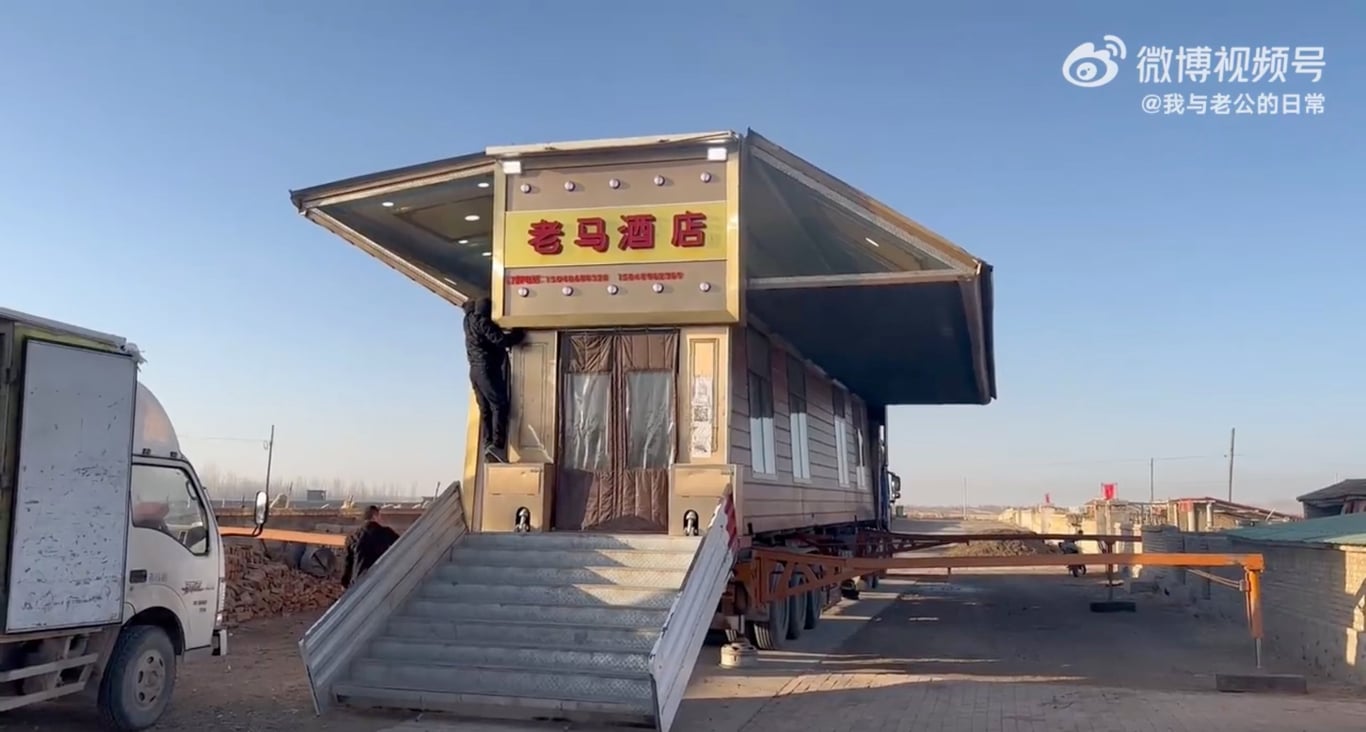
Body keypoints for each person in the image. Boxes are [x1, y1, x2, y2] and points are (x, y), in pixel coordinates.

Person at [462, 296, 525, 463]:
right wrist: (518, 335)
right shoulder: (482, 322)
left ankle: (488, 443)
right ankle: (497, 445)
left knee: (485, 409)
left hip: (474, 372)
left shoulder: (467, 322)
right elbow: (500, 340)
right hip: (486, 370)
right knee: (499, 404)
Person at [341, 505, 400, 589]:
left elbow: (348, 562)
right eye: (379, 516)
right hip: (380, 581)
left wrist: (345, 582)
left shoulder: (353, 536)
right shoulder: (387, 533)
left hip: (358, 583)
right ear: (375, 516)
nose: (381, 518)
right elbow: (401, 547)